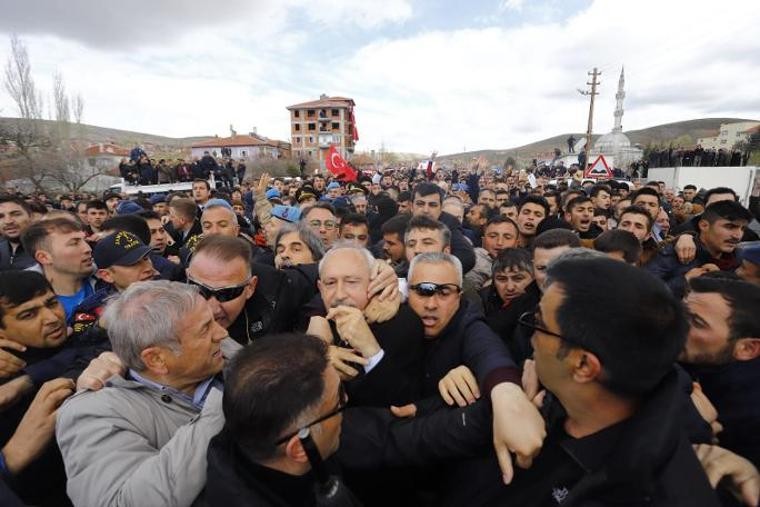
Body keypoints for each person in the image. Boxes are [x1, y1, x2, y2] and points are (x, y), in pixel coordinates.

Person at [471, 258, 720, 506]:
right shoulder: (556, 399)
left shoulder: (646, 490)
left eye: (539, 324)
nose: (531, 338)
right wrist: (508, 393)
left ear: (583, 366)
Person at [56, 281, 240, 507]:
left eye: (213, 322)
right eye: (205, 329)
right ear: (157, 359)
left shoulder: (219, 349)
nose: (222, 333)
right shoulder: (94, 414)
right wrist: (227, 404)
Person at [205, 333, 360, 506]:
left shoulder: (258, 423)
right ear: (300, 448)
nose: (345, 399)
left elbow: (365, 433)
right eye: (338, 398)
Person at [306, 243, 423, 407]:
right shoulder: (311, 318)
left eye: (352, 282)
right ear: (320, 288)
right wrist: (316, 359)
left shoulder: (404, 324)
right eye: (330, 283)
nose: (340, 294)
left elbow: (403, 402)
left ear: (375, 283)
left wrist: (372, 352)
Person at [679, 276, 760, 467]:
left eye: (697, 322)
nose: (675, 323)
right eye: (681, 312)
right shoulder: (691, 360)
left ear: (746, 349)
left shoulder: (751, 419)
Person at [646, 201, 752, 298]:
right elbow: (644, 293)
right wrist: (684, 282)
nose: (737, 236)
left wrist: (722, 283)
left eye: (742, 229)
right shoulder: (674, 253)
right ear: (704, 225)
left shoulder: (741, 260)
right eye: (730, 227)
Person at [20, 218, 95, 322]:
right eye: (74, 243)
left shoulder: (108, 281)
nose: (88, 249)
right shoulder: (22, 305)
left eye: (85, 241)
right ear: (44, 257)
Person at [411, 182, 475, 273]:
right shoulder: (402, 223)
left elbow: (467, 257)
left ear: (441, 208)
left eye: (432, 205)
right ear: (411, 206)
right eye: (420, 204)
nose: (426, 210)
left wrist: (433, 270)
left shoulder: (449, 223)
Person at [465, 216, 520, 292]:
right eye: (493, 236)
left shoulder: (522, 265)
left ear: (516, 244)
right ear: (483, 241)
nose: (499, 242)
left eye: (507, 237)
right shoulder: (474, 261)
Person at [0, 197, 35, 271]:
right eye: (1, 217)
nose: (8, 221)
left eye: (16, 214)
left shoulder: (51, 249)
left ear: (31, 217)